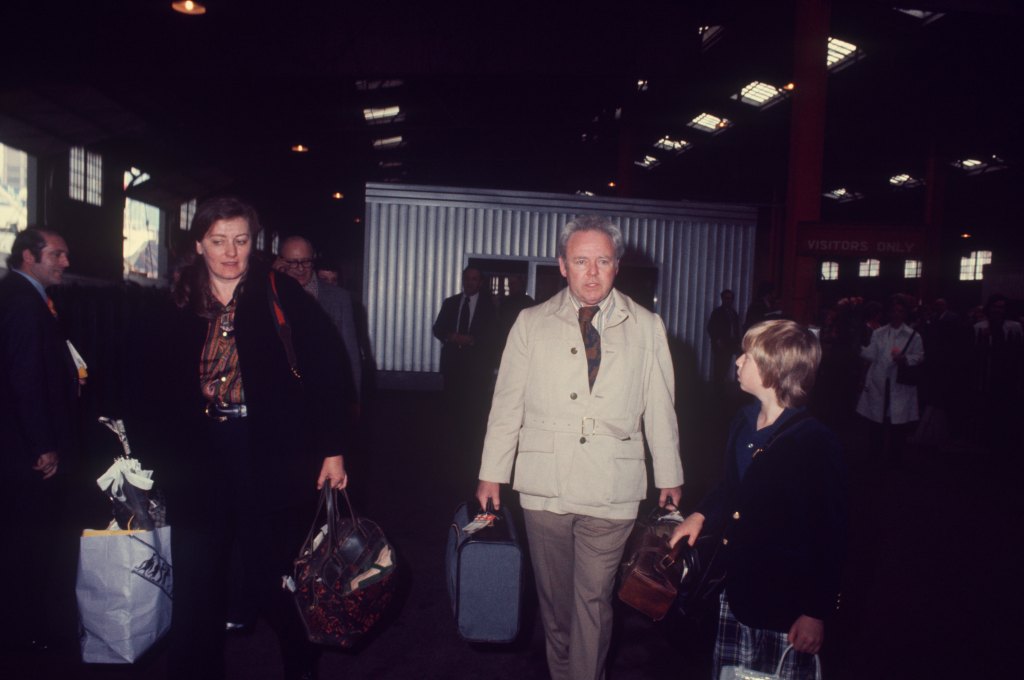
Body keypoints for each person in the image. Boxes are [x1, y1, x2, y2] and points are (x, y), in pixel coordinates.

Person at [476, 215, 684, 680]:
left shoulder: (647, 326)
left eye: (603, 261)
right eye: (581, 261)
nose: (592, 272)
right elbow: (506, 402)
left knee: (593, 600)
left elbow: (660, 407)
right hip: (545, 484)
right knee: (557, 609)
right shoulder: (530, 323)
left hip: (614, 487)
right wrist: (492, 471)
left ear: (618, 265)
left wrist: (670, 475)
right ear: (562, 266)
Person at [153, 197, 353, 680]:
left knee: (276, 577)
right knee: (197, 582)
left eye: (240, 241)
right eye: (218, 241)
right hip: (199, 458)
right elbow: (148, 381)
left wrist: (332, 448)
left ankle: (301, 666)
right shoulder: (177, 299)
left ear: (253, 243)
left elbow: (330, 371)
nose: (230, 252)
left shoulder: (279, 293)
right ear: (200, 244)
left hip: (270, 454)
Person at [670, 320, 847, 680]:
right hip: (737, 588)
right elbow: (731, 485)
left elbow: (830, 535)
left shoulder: (814, 443)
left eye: (747, 356)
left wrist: (815, 612)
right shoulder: (744, 419)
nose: (737, 362)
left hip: (785, 602)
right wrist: (701, 514)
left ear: (773, 369)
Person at [0, 228, 82, 653]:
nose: (65, 262)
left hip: (19, 444)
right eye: (57, 254)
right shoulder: (21, 302)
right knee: (28, 544)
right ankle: (25, 634)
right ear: (29, 257)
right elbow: (23, 379)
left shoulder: (27, 297)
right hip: (24, 451)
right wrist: (42, 444)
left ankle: (26, 626)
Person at [275, 235, 364, 403]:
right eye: (293, 262)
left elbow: (351, 356)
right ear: (280, 262)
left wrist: (355, 401)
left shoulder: (339, 299)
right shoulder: (269, 298)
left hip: (326, 396)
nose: (300, 269)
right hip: (282, 398)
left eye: (306, 261)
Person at [433, 266, 498, 452]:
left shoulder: (489, 305)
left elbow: (494, 334)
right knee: (451, 405)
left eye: (475, 279)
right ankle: (448, 444)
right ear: (463, 280)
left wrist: (473, 340)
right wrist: (452, 337)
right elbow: (437, 328)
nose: (470, 282)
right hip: (452, 365)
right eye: (467, 278)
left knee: (474, 408)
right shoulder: (450, 303)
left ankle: (470, 446)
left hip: (476, 368)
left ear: (480, 282)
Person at [855, 294, 923, 463]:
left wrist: (905, 359)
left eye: (900, 311)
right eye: (893, 310)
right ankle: (875, 456)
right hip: (880, 381)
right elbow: (872, 354)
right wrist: (859, 349)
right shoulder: (879, 333)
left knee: (897, 423)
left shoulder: (913, 336)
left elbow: (920, 355)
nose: (896, 314)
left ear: (905, 313)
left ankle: (895, 458)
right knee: (876, 422)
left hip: (898, 382)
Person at [708, 288, 741, 385]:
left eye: (730, 298)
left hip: (730, 345)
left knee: (726, 367)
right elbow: (711, 327)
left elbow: (736, 329)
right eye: (726, 298)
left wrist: (738, 342)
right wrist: (717, 340)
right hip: (720, 345)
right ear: (722, 299)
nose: (729, 300)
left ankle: (721, 390)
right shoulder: (717, 312)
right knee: (719, 368)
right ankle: (717, 391)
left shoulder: (733, 313)